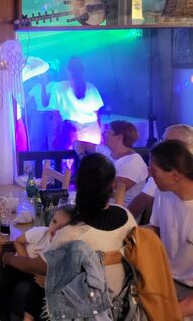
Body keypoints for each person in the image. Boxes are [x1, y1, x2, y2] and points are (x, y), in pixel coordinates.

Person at [3, 153, 136, 298]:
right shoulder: (126, 215)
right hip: (122, 296)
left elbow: (41, 267)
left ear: (79, 185)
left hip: (84, 303)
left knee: (12, 283)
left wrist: (8, 258)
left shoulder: (71, 232)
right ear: (112, 185)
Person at [0, 206, 74, 321]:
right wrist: (25, 260)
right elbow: (18, 241)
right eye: (54, 222)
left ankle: (28, 318)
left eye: (62, 227)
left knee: (38, 285)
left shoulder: (65, 247)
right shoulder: (40, 232)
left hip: (38, 273)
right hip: (22, 265)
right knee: (5, 279)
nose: (55, 228)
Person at [148, 140, 193, 317]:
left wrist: (169, 313)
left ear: (175, 175)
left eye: (154, 170)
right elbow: (155, 230)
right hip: (165, 279)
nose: (149, 174)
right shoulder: (164, 192)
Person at [75, 120, 147, 206]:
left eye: (108, 132)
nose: (103, 134)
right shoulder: (106, 151)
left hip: (119, 210)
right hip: (101, 205)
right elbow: (78, 143)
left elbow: (108, 189)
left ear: (119, 137)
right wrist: (82, 156)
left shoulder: (133, 162)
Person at [128, 123, 193, 220]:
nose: (161, 145)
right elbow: (141, 202)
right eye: (161, 140)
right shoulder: (162, 185)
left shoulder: (166, 175)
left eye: (167, 142)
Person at [48, 57, 103, 146]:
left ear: (67, 70)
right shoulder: (92, 88)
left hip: (72, 132)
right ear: (83, 70)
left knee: (74, 155)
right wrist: (100, 132)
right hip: (94, 131)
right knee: (92, 155)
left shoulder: (58, 87)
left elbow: (56, 117)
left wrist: (55, 135)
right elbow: (97, 115)